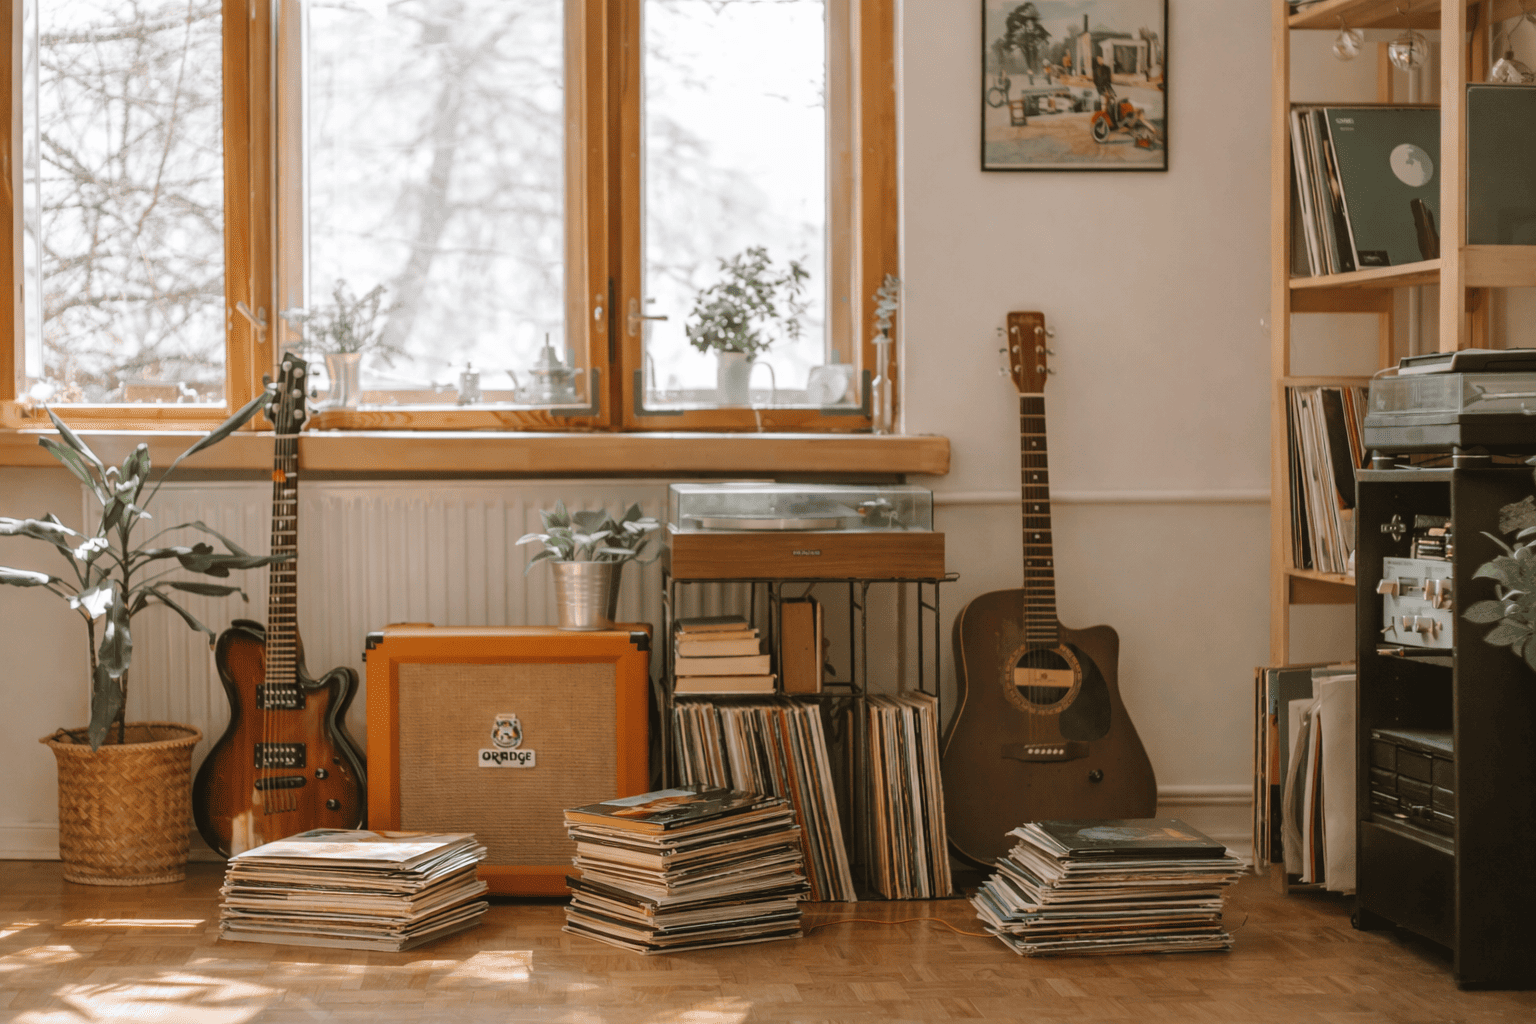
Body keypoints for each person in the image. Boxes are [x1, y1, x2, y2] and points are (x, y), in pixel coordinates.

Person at [1093, 53, 1116, 127]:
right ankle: (1104, 122)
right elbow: (1095, 81)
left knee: (1112, 103)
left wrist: (1108, 88)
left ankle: (1112, 121)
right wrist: (1100, 89)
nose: (1100, 60)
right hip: (1101, 89)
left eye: (1101, 59)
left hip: (1108, 88)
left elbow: (1110, 80)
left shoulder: (1107, 68)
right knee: (1104, 106)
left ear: (1103, 59)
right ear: (1097, 60)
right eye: (1098, 59)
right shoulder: (1096, 70)